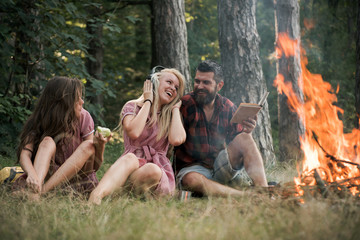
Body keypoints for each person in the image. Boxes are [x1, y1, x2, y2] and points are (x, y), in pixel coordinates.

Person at [89, 68, 186, 204]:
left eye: (176, 87)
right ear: (153, 83)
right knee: (130, 158)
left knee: (153, 170)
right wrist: (148, 102)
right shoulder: (133, 107)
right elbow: (134, 132)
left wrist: (175, 109)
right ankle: (96, 196)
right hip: (130, 168)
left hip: (156, 176)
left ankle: (116, 196)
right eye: (169, 82)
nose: (173, 88)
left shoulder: (169, 117)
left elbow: (176, 139)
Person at [175, 60, 268, 198]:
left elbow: (239, 142)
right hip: (192, 170)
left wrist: (248, 131)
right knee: (191, 180)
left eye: (206, 82)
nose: (199, 86)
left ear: (219, 85)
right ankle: (245, 196)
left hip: (219, 166)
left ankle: (263, 191)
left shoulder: (227, 106)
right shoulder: (185, 104)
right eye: (197, 81)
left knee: (245, 137)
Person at [15, 76, 110, 199]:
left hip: (76, 179)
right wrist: (32, 175)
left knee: (88, 145)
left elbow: (94, 168)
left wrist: (100, 146)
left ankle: (40, 193)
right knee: (47, 141)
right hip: (47, 175)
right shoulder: (40, 119)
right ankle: (36, 188)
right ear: (64, 102)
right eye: (77, 98)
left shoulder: (84, 117)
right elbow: (25, 154)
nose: (82, 102)